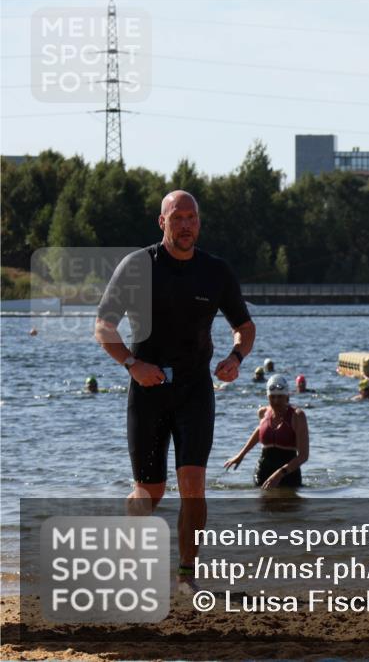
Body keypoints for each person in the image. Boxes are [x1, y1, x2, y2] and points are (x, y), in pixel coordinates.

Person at [94, 190, 255, 592]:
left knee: (193, 487)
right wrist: (133, 365)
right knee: (150, 491)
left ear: (199, 222)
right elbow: (103, 326)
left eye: (192, 218)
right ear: (161, 221)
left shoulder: (215, 271)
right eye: (177, 217)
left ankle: (186, 574)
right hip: (148, 390)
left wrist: (236, 357)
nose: (185, 225)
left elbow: (244, 326)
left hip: (195, 390)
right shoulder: (138, 266)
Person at [224, 375, 309, 489]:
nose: (276, 401)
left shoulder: (297, 416)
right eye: (272, 397)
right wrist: (241, 455)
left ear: (287, 396)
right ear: (267, 396)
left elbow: (303, 456)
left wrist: (280, 473)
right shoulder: (263, 413)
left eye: (280, 396)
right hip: (263, 471)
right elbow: (260, 431)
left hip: (288, 473)